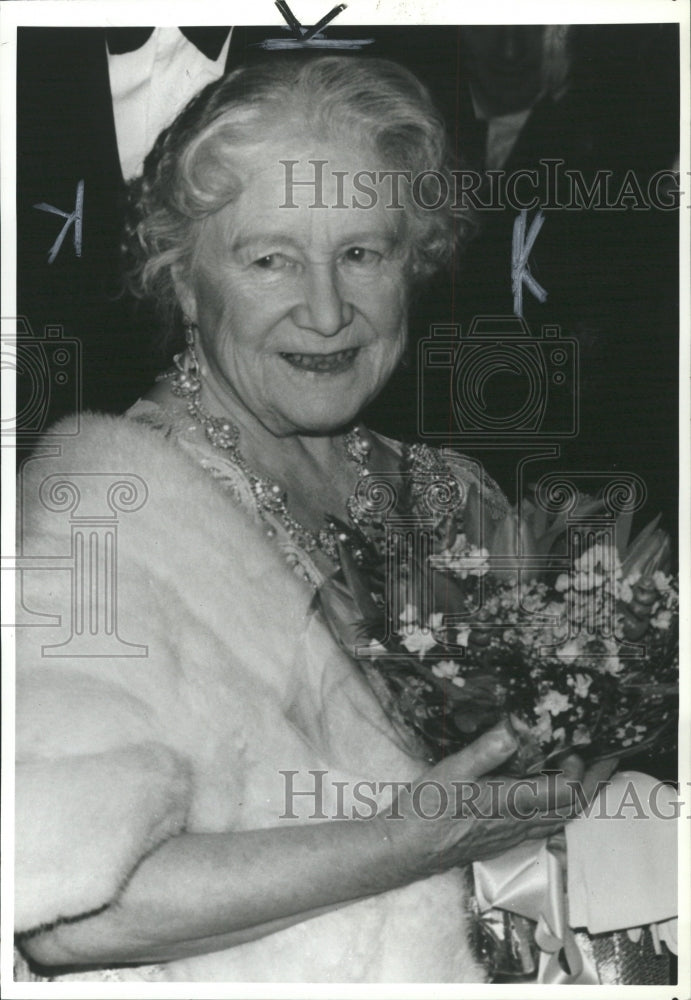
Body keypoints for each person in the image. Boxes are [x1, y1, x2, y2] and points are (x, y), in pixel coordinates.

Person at [14, 55, 588, 983]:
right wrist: (413, 837)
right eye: (269, 258)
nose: (327, 311)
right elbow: (69, 913)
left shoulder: (455, 496)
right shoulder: (106, 513)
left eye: (362, 253)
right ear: (183, 281)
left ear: (419, 259)